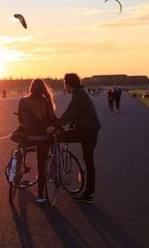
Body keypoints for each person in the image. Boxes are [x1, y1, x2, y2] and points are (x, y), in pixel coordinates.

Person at [57, 73, 101, 203]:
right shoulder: (80, 94)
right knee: (88, 160)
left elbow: (69, 114)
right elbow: (75, 115)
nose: (64, 87)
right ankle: (89, 192)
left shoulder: (79, 95)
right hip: (89, 130)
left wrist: (57, 124)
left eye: (64, 84)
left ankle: (54, 167)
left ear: (69, 84)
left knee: (58, 137)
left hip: (87, 131)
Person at [17, 79, 55, 203]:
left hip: (29, 137)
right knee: (41, 163)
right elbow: (51, 120)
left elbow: (21, 120)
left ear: (31, 88)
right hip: (43, 138)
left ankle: (17, 175)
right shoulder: (47, 102)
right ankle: (40, 194)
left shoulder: (23, 101)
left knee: (20, 148)